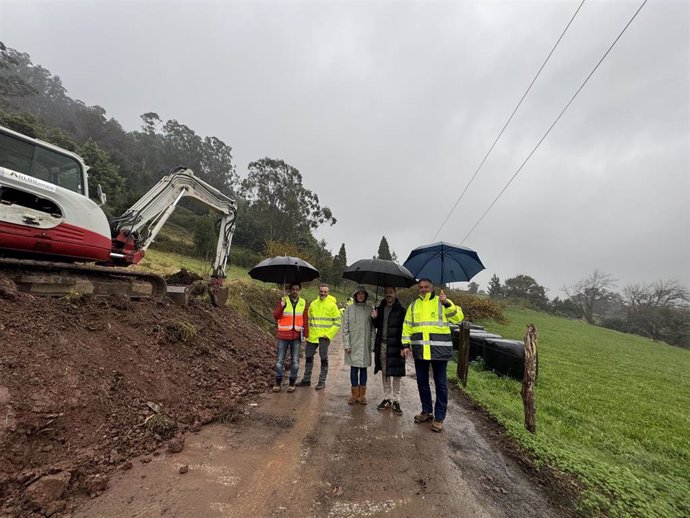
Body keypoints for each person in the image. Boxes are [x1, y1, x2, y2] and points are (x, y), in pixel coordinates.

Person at [402, 278, 463, 432]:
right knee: (422, 382)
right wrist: (405, 345)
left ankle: (439, 417)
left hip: (439, 351)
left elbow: (458, 318)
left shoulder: (442, 301)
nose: (423, 289)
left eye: (426, 287)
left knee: (440, 384)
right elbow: (407, 326)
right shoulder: (414, 305)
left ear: (432, 287)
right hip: (420, 351)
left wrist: (447, 303)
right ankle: (426, 411)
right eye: (421, 287)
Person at [297, 283, 341, 390]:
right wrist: (306, 334)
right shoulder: (313, 304)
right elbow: (308, 320)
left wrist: (329, 334)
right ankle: (306, 380)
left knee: (323, 359)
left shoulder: (332, 306)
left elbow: (337, 323)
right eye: (321, 291)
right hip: (312, 337)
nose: (323, 293)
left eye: (325, 292)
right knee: (308, 357)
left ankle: (322, 381)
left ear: (328, 292)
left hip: (324, 337)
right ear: (319, 291)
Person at [371, 286, 407, 415]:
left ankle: (396, 400)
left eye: (390, 292)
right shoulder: (380, 308)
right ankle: (387, 398)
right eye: (386, 293)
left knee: (396, 373)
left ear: (395, 294)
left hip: (397, 346)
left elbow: (406, 329)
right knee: (385, 372)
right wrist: (374, 318)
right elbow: (377, 326)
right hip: (383, 345)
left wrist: (404, 346)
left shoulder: (402, 310)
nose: (388, 295)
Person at [272, 282, 308, 393]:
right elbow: (275, 315)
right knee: (279, 361)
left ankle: (292, 383)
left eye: (297, 289)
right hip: (283, 336)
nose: (295, 291)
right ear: (289, 290)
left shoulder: (303, 302)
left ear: (299, 291)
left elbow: (305, 320)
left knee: (295, 362)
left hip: (296, 336)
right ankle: (278, 382)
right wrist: (281, 306)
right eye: (293, 289)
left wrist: (306, 334)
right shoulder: (283, 301)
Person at [342, 285, 375, 405]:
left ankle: (362, 395)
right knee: (354, 369)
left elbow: (372, 329)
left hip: (364, 345)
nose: (361, 295)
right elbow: (345, 328)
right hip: (353, 345)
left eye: (363, 294)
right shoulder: (349, 309)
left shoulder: (369, 309)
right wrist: (347, 344)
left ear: (365, 296)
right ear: (355, 295)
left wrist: (372, 345)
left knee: (364, 369)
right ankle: (354, 394)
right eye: (358, 293)